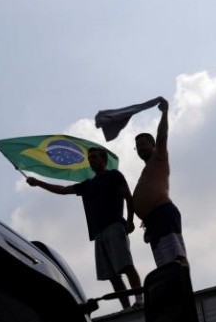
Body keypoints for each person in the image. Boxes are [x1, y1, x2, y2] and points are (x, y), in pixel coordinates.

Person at [27, 146, 143, 310]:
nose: (92, 160)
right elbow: (63, 190)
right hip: (98, 232)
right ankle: (126, 307)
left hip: (115, 226)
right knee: (112, 275)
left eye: (95, 157)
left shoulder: (114, 175)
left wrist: (130, 220)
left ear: (104, 160)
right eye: (90, 158)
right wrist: (38, 183)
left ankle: (139, 300)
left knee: (125, 265)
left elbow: (128, 198)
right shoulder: (88, 184)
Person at [133, 96, 188, 267]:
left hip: (163, 213)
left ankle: (183, 288)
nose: (140, 148)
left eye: (143, 144)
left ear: (154, 145)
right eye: (138, 146)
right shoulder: (146, 170)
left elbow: (162, 135)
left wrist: (164, 112)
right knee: (165, 265)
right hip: (152, 221)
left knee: (176, 259)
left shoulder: (159, 157)